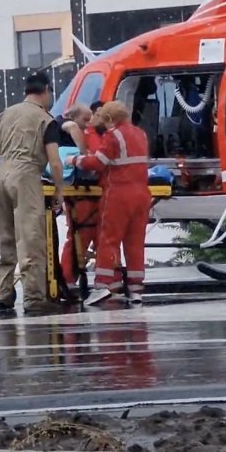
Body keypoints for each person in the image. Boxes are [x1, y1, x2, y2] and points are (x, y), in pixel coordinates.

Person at [0, 72, 65, 315]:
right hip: (26, 176)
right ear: (46, 90)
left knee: (5, 239)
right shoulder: (45, 119)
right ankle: (34, 299)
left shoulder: (5, 114)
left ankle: (3, 294)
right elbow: (55, 162)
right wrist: (59, 190)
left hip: (2, 177)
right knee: (30, 239)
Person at [66, 101, 151, 306]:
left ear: (110, 119)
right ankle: (136, 290)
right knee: (135, 243)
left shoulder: (113, 135)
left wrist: (74, 160)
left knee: (108, 240)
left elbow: (98, 163)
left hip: (118, 194)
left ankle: (102, 286)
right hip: (142, 194)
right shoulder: (141, 134)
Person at [60, 101, 105, 289]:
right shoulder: (80, 133)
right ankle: (68, 279)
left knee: (102, 237)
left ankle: (106, 281)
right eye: (97, 115)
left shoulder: (103, 135)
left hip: (99, 192)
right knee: (81, 235)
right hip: (84, 193)